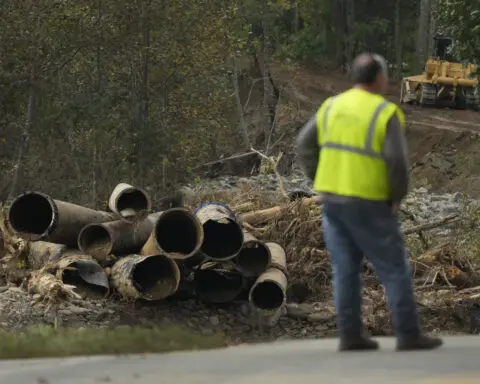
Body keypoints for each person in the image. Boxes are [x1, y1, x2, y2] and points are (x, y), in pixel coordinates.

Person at [295, 53, 443, 352]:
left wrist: (319, 179)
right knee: (393, 268)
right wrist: (396, 197)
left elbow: (303, 144)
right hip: (370, 202)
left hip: (332, 201)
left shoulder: (331, 106)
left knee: (345, 269)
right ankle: (408, 333)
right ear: (378, 78)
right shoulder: (384, 113)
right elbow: (397, 162)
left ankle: (350, 334)